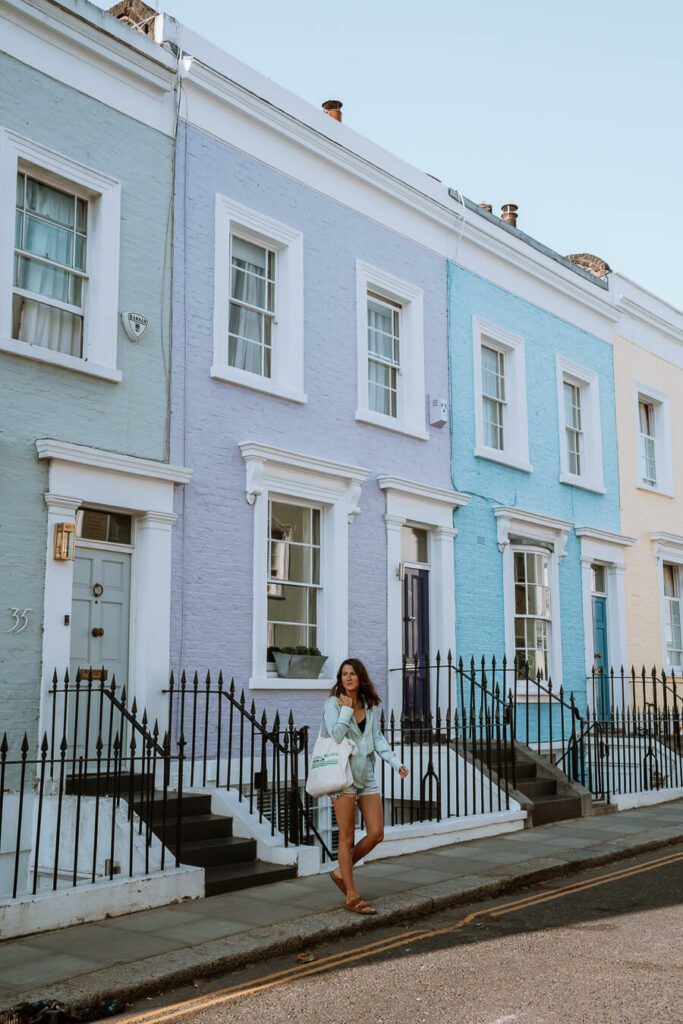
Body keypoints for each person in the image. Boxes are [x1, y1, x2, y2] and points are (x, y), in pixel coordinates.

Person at [324, 658, 409, 915]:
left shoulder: (369, 706)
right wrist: (346, 710)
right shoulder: (332, 704)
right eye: (343, 674)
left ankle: (342, 870)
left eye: (352, 674)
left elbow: (377, 738)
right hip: (344, 776)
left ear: (360, 677)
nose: (347, 678)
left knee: (376, 833)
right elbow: (336, 734)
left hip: (367, 775)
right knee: (347, 836)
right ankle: (351, 895)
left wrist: (395, 762)